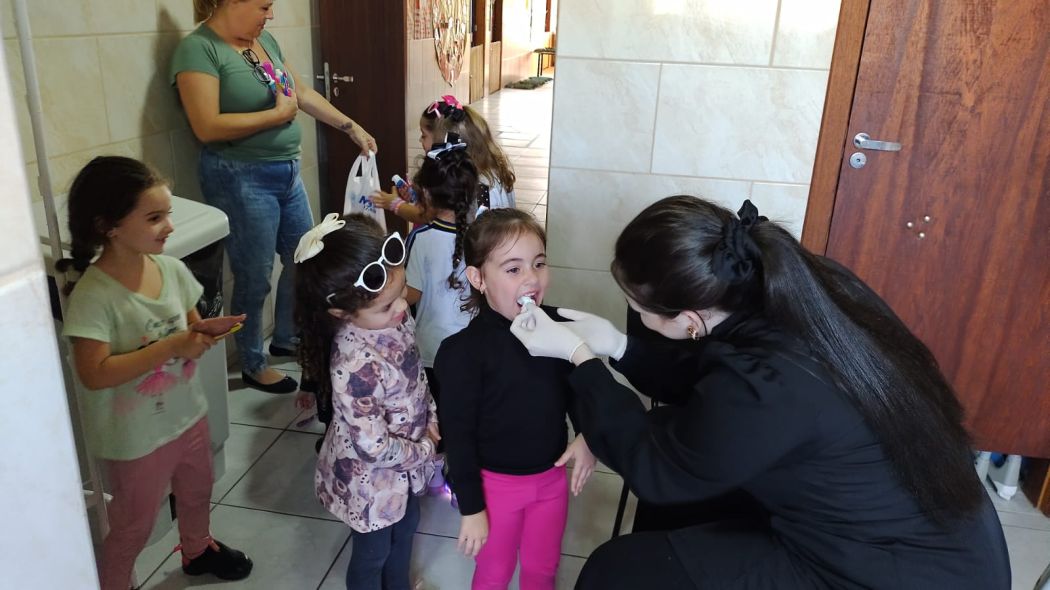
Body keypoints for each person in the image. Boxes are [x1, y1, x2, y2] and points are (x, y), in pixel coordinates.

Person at [510, 196, 1011, 589]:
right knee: (675, 513)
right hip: (925, 529)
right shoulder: (792, 290)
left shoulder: (770, 381)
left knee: (618, 572)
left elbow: (659, 470)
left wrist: (582, 359)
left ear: (690, 320)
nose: (634, 315)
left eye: (637, 310)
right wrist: (620, 346)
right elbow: (709, 388)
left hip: (892, 571)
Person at [58, 156, 253, 590]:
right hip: (136, 437)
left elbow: (189, 328)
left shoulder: (171, 270)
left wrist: (205, 332)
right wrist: (173, 345)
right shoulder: (95, 295)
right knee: (134, 523)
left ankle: (197, 550)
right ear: (109, 226)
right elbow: (94, 373)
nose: (169, 226)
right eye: (154, 218)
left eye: (168, 214)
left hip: (187, 414)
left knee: (198, 490)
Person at [171, 0, 377, 393]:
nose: (271, 15)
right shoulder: (198, 49)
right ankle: (252, 362)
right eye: (264, 6)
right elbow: (206, 126)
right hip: (239, 176)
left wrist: (350, 126)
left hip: (286, 171)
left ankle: (286, 335)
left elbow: (300, 93)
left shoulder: (264, 41)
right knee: (254, 275)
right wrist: (276, 116)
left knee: (307, 256)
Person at [435, 208, 596, 590]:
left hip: (551, 480)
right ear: (478, 278)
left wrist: (587, 435)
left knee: (543, 569)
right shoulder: (462, 353)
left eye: (539, 263)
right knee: (495, 572)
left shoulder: (557, 330)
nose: (532, 278)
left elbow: (579, 389)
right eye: (513, 269)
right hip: (495, 488)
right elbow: (458, 437)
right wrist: (472, 508)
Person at [294, 213, 439, 590]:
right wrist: (424, 449)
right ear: (341, 312)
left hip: (403, 466)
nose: (402, 308)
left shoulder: (392, 319)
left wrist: (431, 415)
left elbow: (415, 375)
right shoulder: (355, 365)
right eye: (386, 306)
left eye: (402, 291)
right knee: (373, 553)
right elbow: (373, 447)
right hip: (372, 482)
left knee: (406, 528)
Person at [372, 95, 515, 224]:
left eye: (424, 135)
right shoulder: (489, 172)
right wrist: (418, 196)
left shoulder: (468, 185)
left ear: (444, 143)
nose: (420, 140)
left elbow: (426, 216)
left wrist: (394, 204)